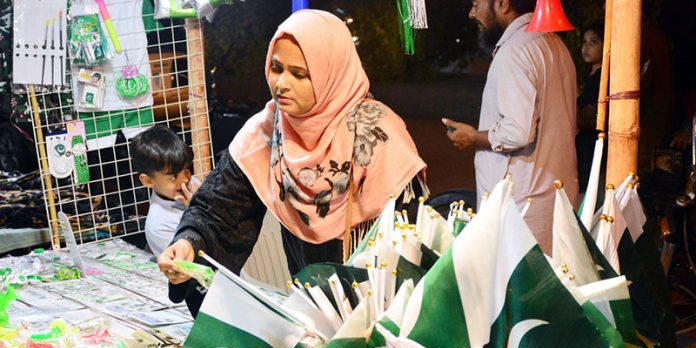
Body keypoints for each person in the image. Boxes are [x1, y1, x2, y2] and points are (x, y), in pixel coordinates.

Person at [157, 10, 427, 316]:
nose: (281, 84)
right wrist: (189, 244)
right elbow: (220, 208)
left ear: (331, 74)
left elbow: (408, 246)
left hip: (379, 309)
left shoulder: (378, 135)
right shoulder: (268, 129)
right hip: (310, 304)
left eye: (300, 74)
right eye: (276, 68)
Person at [441, 0, 578, 254]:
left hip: (520, 210)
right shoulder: (555, 45)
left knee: (513, 290)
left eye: (476, 4)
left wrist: (472, 138)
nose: (472, 13)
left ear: (502, 4)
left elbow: (517, 132)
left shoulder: (515, 51)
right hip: (553, 202)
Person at [130, 125, 200, 257]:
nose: (185, 179)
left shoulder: (194, 184)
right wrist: (196, 212)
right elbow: (188, 265)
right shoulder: (158, 226)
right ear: (148, 181)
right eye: (174, 177)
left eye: (187, 170)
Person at [576, 23, 605, 195]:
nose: (586, 47)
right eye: (584, 42)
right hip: (585, 143)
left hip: (592, 142)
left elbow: (591, 113)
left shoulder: (602, 77)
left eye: (593, 42)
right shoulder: (591, 75)